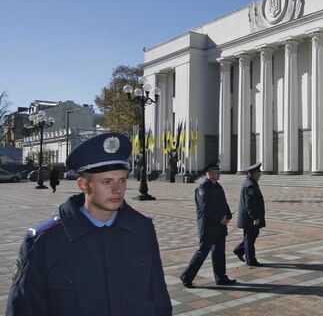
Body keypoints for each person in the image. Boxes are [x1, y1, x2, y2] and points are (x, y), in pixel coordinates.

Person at [6, 133, 172, 316]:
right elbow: (24, 309)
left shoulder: (142, 228)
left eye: (122, 180)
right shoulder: (44, 241)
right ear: (83, 185)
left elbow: (159, 299)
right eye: (107, 181)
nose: (117, 189)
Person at [180, 161, 237, 287]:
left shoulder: (218, 186)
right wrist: (220, 218)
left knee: (219, 252)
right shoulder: (202, 188)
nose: (219, 174)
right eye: (216, 172)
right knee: (202, 252)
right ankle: (186, 276)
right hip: (208, 227)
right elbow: (206, 208)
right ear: (210, 174)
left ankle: (221, 277)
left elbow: (224, 202)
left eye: (218, 172)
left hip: (220, 226)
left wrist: (228, 215)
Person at [234, 162, 266, 267]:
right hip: (250, 219)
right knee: (250, 239)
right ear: (253, 174)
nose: (260, 174)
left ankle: (239, 250)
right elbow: (250, 204)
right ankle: (250, 260)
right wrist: (255, 217)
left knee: (251, 237)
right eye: (258, 172)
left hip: (249, 218)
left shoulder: (250, 183)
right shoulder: (250, 185)